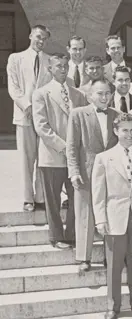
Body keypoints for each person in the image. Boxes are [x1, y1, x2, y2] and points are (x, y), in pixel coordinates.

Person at [91, 113, 132, 319]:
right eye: (125, 130)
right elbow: (98, 191)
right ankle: (113, 306)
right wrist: (100, 219)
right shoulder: (104, 158)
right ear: (116, 132)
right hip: (114, 218)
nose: (129, 134)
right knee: (114, 265)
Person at [32, 53, 88, 249]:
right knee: (53, 198)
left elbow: (83, 123)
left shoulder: (78, 94)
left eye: (65, 65)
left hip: (74, 158)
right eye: (58, 66)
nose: (63, 69)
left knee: (76, 196)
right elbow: (41, 127)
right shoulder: (41, 93)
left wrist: (76, 149)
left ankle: (72, 234)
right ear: (50, 69)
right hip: (52, 156)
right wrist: (64, 146)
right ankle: (56, 236)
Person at [66, 79, 120, 272]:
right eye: (100, 93)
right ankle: (83, 258)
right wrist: (73, 172)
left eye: (107, 93)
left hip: (112, 174)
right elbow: (71, 147)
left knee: (111, 215)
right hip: (86, 173)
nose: (104, 97)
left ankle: (111, 257)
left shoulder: (118, 116)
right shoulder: (78, 114)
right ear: (90, 95)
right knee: (85, 216)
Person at [7, 24, 52, 212]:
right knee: (26, 159)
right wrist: (27, 106)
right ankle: (28, 198)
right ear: (30, 35)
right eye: (38, 37)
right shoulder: (16, 58)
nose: (41, 41)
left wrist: (41, 110)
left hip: (43, 117)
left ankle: (41, 197)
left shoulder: (49, 60)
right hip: (24, 115)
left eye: (44, 38)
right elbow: (13, 86)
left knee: (43, 157)